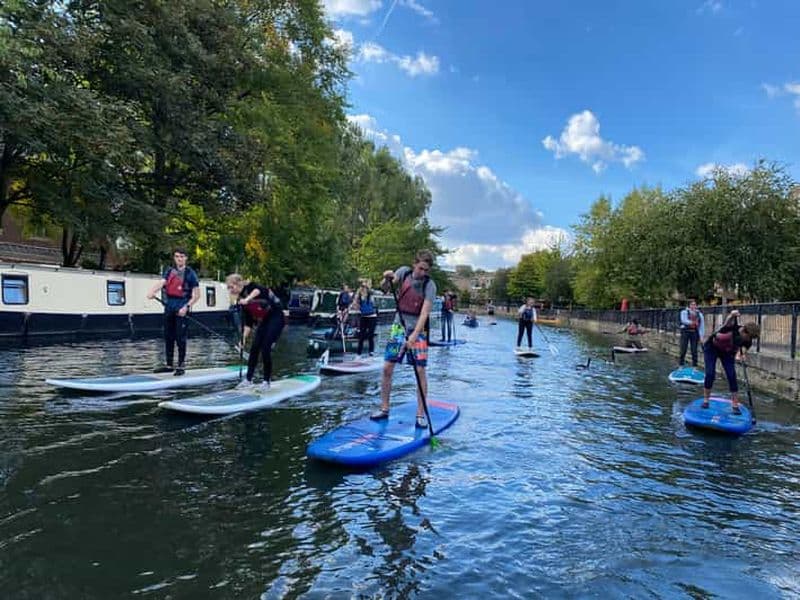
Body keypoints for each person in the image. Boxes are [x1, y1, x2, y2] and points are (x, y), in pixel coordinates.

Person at [371, 250, 437, 429]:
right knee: (387, 367)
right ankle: (384, 409)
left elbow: (424, 313)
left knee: (420, 371)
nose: (423, 273)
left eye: (426, 270)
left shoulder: (430, 285)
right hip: (398, 328)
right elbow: (385, 288)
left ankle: (420, 415)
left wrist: (415, 335)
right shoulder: (403, 272)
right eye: (421, 268)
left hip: (418, 331)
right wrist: (386, 278)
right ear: (414, 264)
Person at [225, 274, 285, 390]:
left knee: (265, 349)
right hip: (265, 321)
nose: (230, 290)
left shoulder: (252, 287)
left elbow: (259, 291)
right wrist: (243, 339)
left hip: (276, 317)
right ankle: (248, 380)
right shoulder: (241, 300)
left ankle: (266, 382)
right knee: (254, 348)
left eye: (231, 287)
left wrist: (247, 300)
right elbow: (248, 323)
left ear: (238, 284)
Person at [146, 248, 200, 376]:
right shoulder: (169, 271)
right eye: (177, 256)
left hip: (182, 306)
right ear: (174, 258)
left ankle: (181, 365)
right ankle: (169, 365)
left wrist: (186, 307)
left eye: (181, 256)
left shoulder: (190, 273)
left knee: (180, 338)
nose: (179, 259)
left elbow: (197, 295)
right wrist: (151, 291)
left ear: (186, 258)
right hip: (169, 306)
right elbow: (162, 282)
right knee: (168, 336)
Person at [702, 309, 760, 414]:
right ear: (743, 330)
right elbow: (727, 321)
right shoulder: (732, 327)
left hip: (727, 353)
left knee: (732, 375)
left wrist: (740, 355)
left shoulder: (748, 340)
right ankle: (706, 400)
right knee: (710, 374)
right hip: (712, 348)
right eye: (748, 337)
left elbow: (742, 351)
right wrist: (732, 315)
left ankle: (735, 404)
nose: (749, 339)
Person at [350, 279, 378, 357]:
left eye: (365, 287)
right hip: (363, 317)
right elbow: (355, 306)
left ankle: (371, 352)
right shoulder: (358, 296)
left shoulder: (370, 294)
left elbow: (369, 283)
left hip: (372, 317)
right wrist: (354, 304)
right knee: (361, 336)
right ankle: (358, 354)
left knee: (370, 335)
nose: (363, 288)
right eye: (362, 287)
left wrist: (365, 282)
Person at [679, 299, 705, 368]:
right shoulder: (684, 312)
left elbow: (701, 326)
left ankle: (694, 366)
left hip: (694, 333)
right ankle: (681, 365)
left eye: (695, 305)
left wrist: (701, 336)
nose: (693, 306)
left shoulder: (700, 314)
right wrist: (693, 322)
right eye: (692, 304)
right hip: (685, 332)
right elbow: (684, 320)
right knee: (683, 349)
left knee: (694, 350)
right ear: (689, 305)